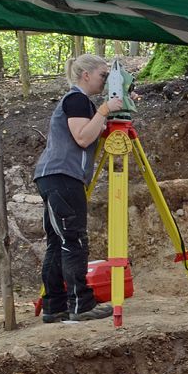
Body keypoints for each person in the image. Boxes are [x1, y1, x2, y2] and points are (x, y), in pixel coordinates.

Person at [33, 53, 122, 322]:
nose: (105, 81)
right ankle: (80, 305)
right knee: (74, 241)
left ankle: (55, 306)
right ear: (86, 75)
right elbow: (83, 137)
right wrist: (105, 110)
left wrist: (105, 116)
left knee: (57, 243)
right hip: (63, 176)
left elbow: (89, 132)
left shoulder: (82, 103)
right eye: (102, 76)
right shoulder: (76, 99)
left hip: (54, 176)